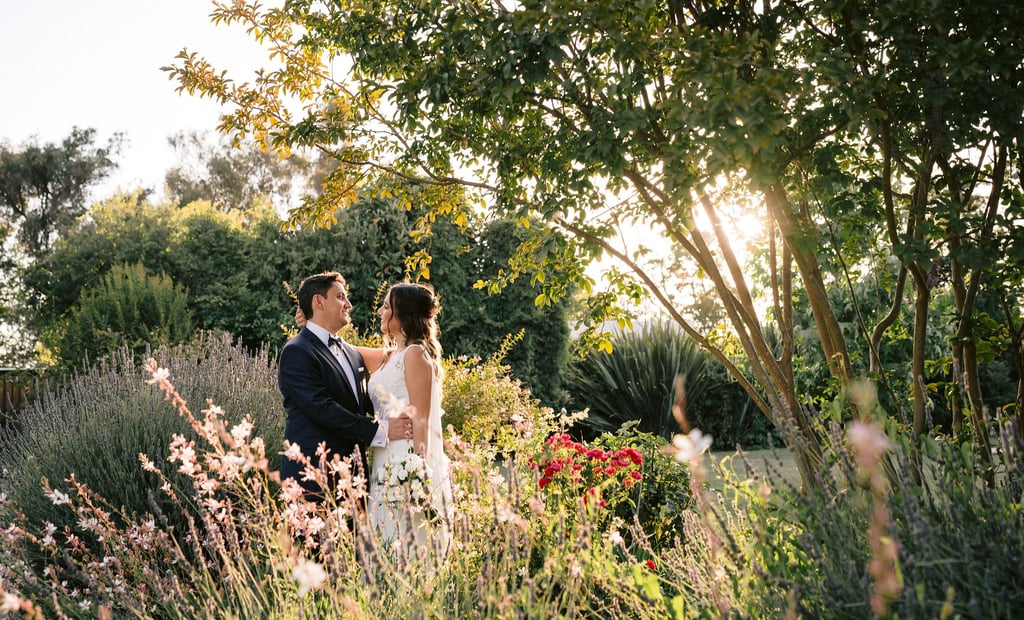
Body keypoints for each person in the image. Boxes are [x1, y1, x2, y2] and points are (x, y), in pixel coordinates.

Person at [277, 271, 412, 502]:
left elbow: (366, 399)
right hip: (313, 482)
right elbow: (322, 408)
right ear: (318, 302)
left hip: (355, 481)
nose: (349, 304)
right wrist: (381, 430)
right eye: (340, 297)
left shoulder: (352, 353)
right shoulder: (296, 351)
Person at [367, 282, 455, 552]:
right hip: (384, 455)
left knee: (405, 540)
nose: (381, 312)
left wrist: (418, 478)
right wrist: (309, 322)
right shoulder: (391, 355)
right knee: (384, 539)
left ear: (401, 314)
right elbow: (343, 348)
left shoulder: (416, 355)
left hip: (404, 462)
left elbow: (421, 420)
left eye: (386, 307)